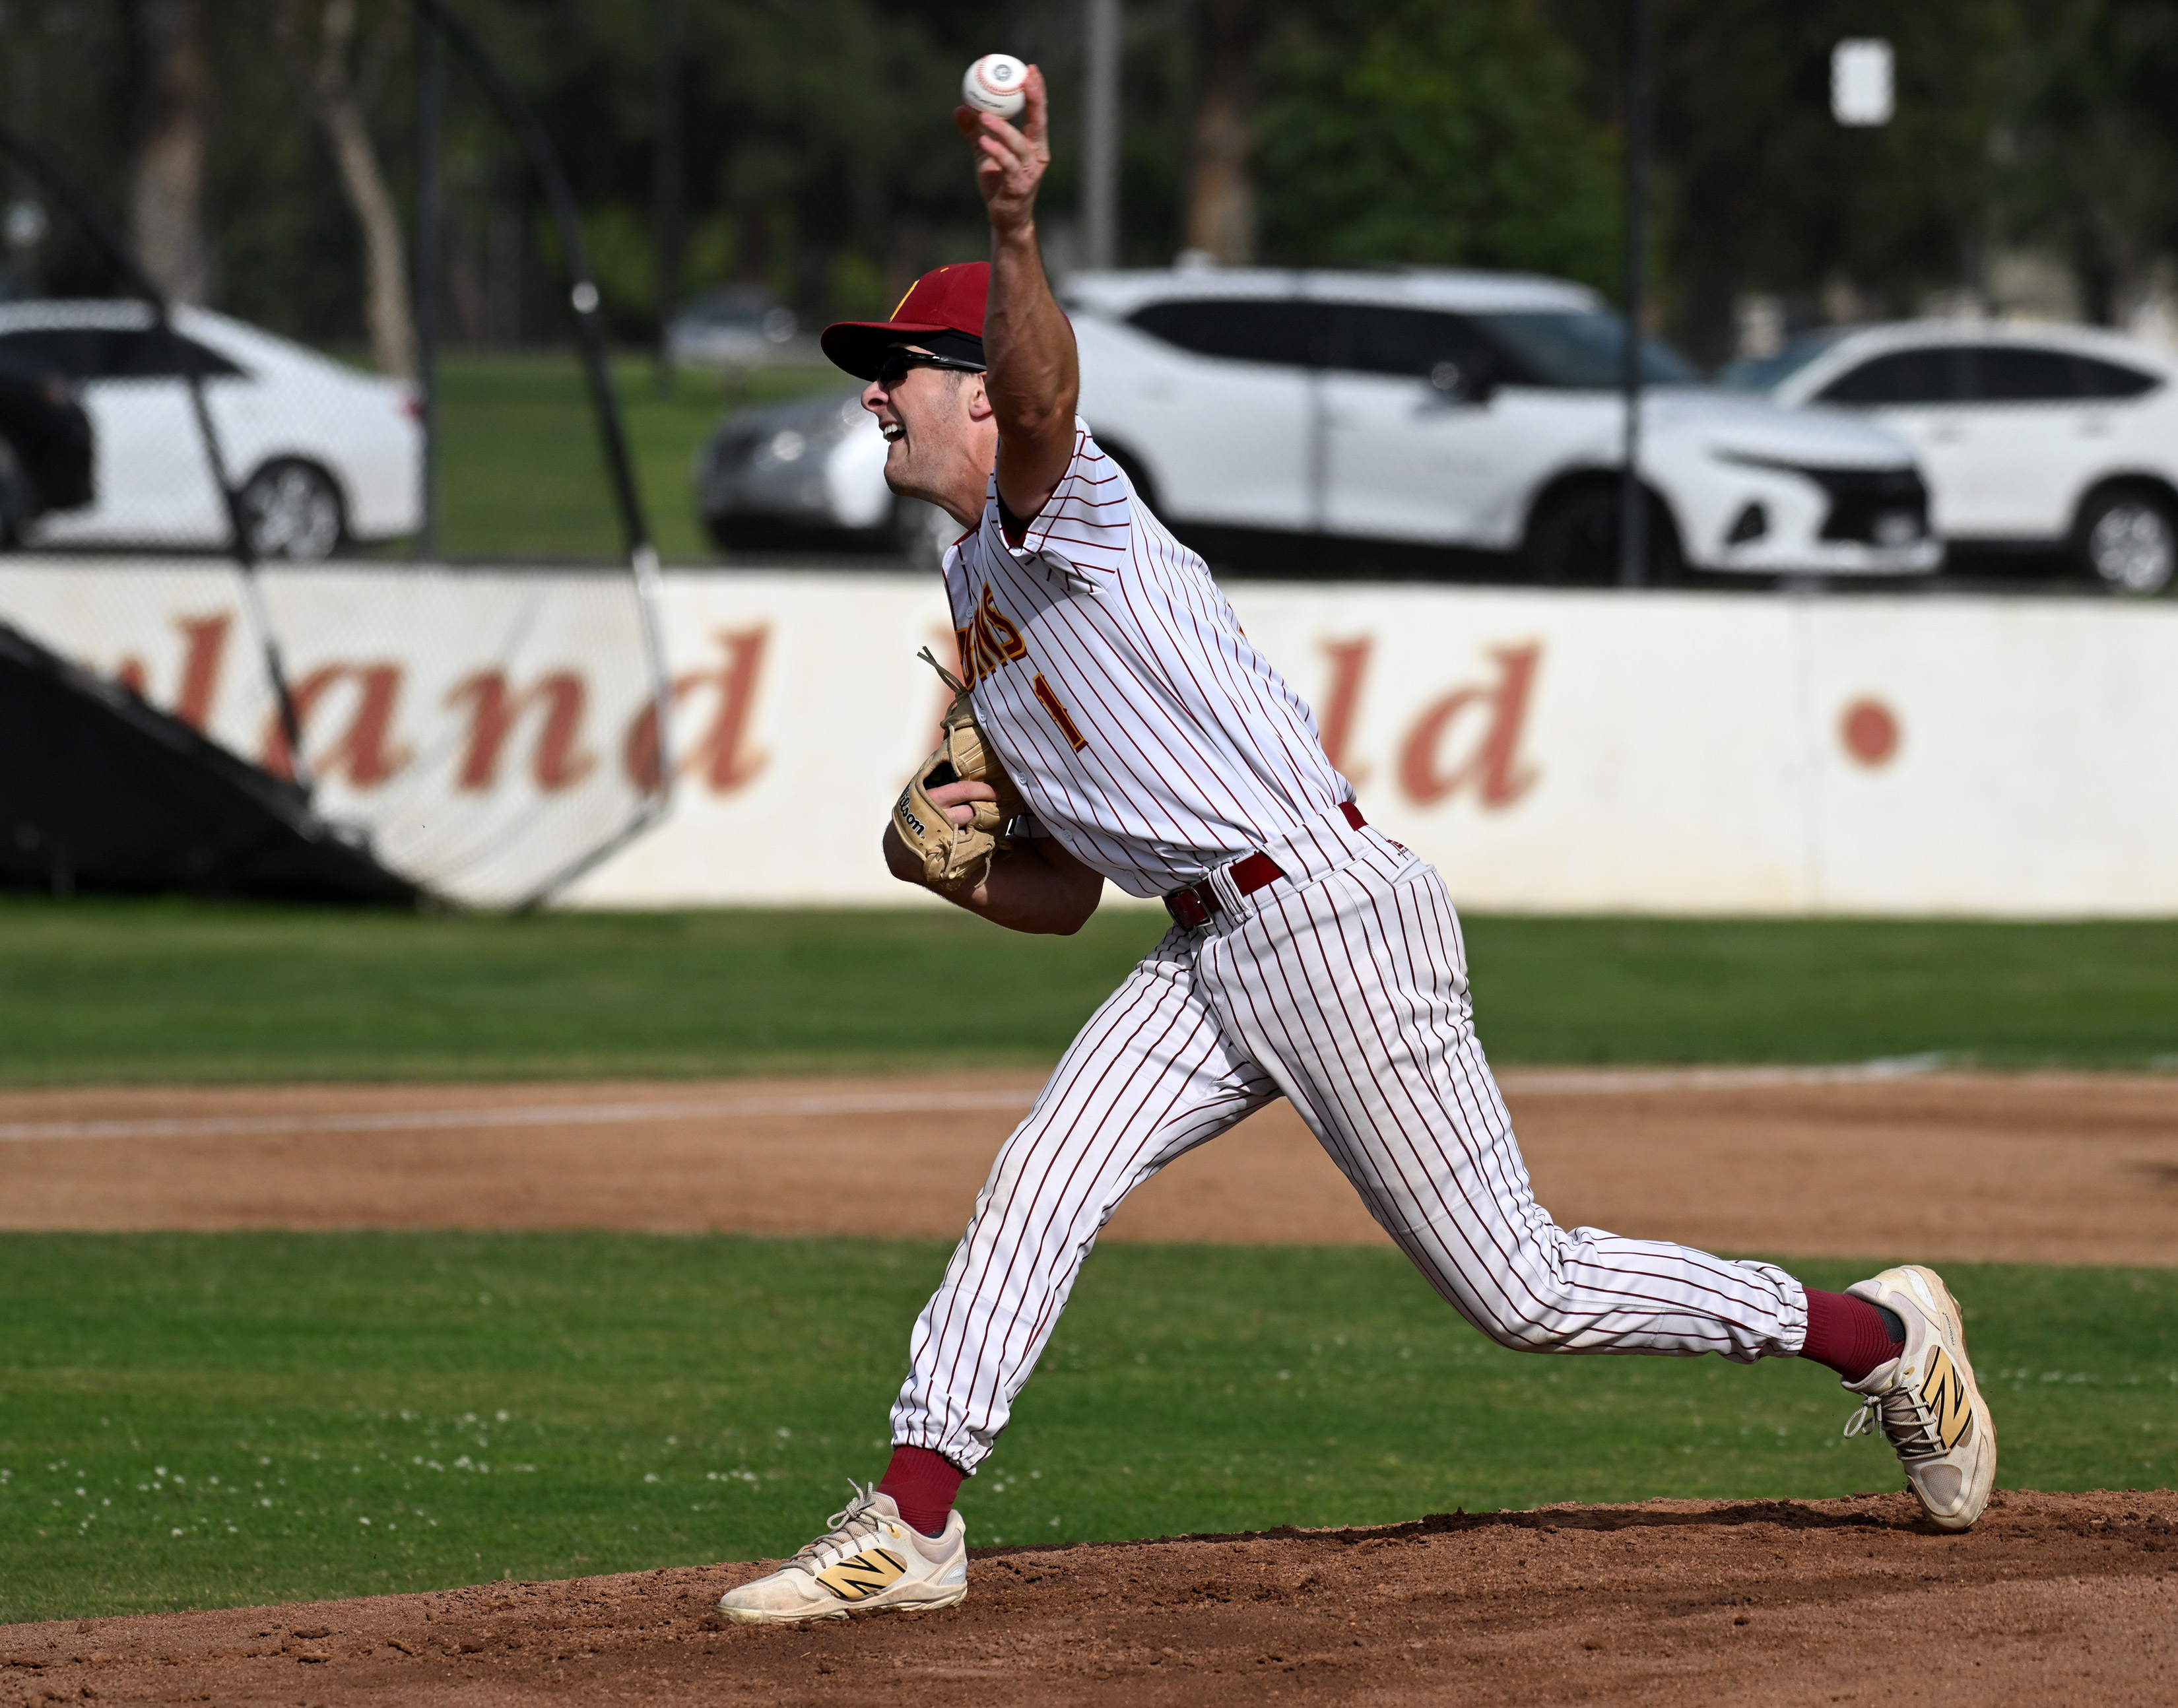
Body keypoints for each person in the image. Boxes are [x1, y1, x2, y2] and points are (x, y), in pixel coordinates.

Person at [716, 67, 1995, 1626]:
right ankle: (916, 1519)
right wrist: (957, 868)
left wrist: (1012, 219)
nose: (870, 396)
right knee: (1037, 1182)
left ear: (977, 386)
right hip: (1200, 946)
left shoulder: (1068, 497)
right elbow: (1060, 900)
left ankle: (1876, 1335)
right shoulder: (978, 582)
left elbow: (1049, 393)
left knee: (1521, 1288)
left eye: (899, 370)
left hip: (1324, 918)